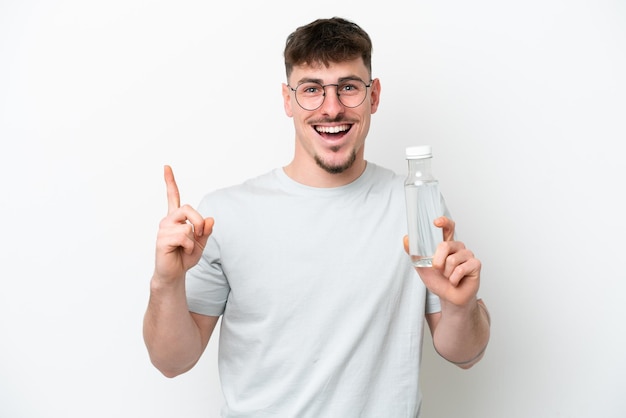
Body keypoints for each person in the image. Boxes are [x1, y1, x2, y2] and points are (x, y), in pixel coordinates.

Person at [143, 16, 491, 417]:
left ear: (373, 96)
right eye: (311, 90)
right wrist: (166, 283)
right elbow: (172, 362)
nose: (332, 108)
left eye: (348, 87)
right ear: (288, 100)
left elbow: (465, 355)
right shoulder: (225, 215)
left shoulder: (415, 204)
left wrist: (463, 307)